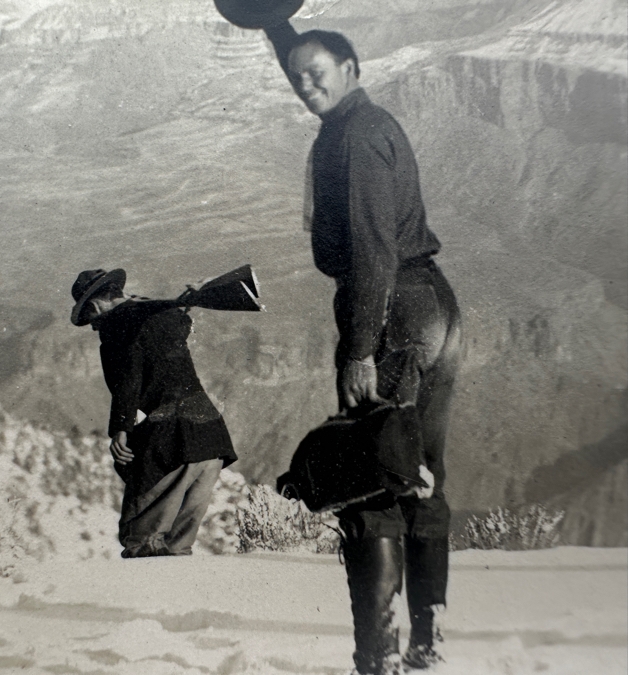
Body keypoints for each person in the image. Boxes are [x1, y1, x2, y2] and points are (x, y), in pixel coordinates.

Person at [262, 24, 463, 675]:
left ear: (351, 67)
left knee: (368, 478)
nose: (306, 83)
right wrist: (272, 22)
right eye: (297, 75)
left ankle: (376, 658)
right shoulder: (360, 120)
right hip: (432, 307)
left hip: (391, 312)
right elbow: (304, 61)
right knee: (418, 471)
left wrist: (359, 350)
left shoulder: (354, 136)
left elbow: (373, 248)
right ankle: (429, 639)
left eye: (317, 71)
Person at [70, 268, 238, 558]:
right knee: (177, 546)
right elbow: (179, 327)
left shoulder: (118, 324)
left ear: (96, 306)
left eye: (92, 319)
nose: (95, 327)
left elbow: (128, 378)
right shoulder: (159, 313)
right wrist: (186, 302)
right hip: (211, 438)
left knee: (142, 540)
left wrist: (120, 428)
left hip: (175, 437)